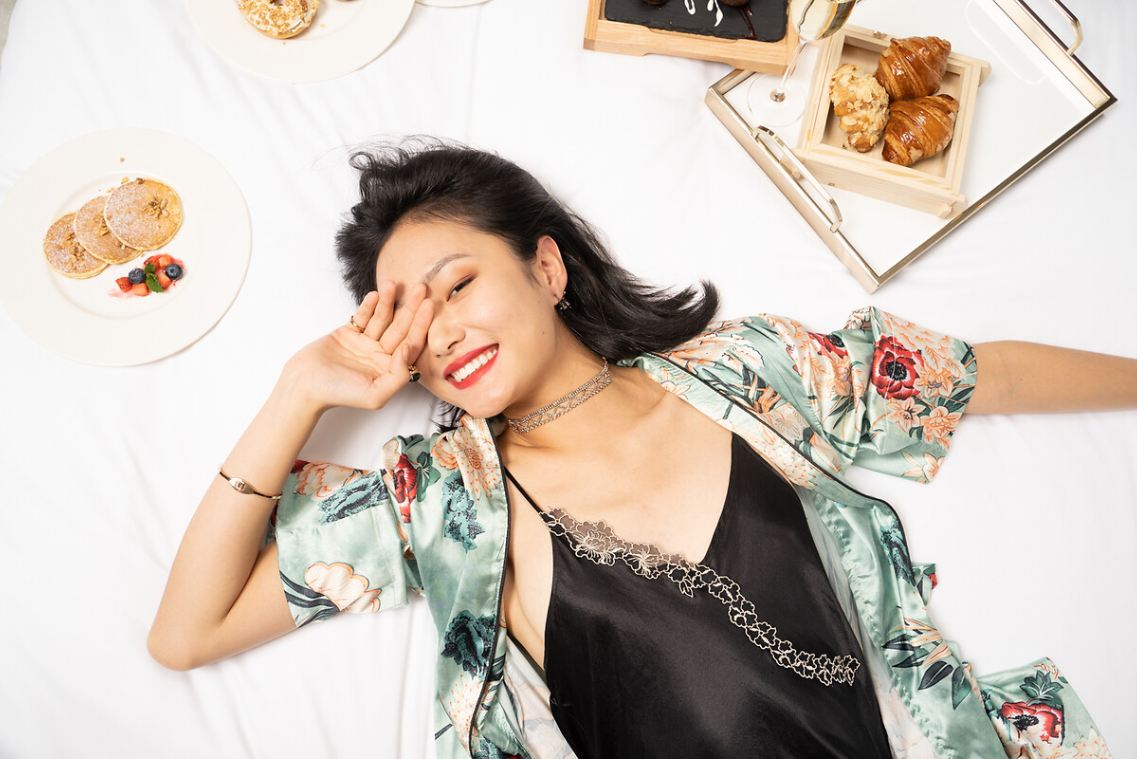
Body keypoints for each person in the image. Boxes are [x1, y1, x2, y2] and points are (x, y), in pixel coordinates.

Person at [147, 136, 1131, 759]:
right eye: (407, 317)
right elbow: (186, 634)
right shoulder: (440, 503)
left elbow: (985, 377)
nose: (441, 331)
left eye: (458, 285)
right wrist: (298, 393)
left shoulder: (751, 371)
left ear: (545, 267)